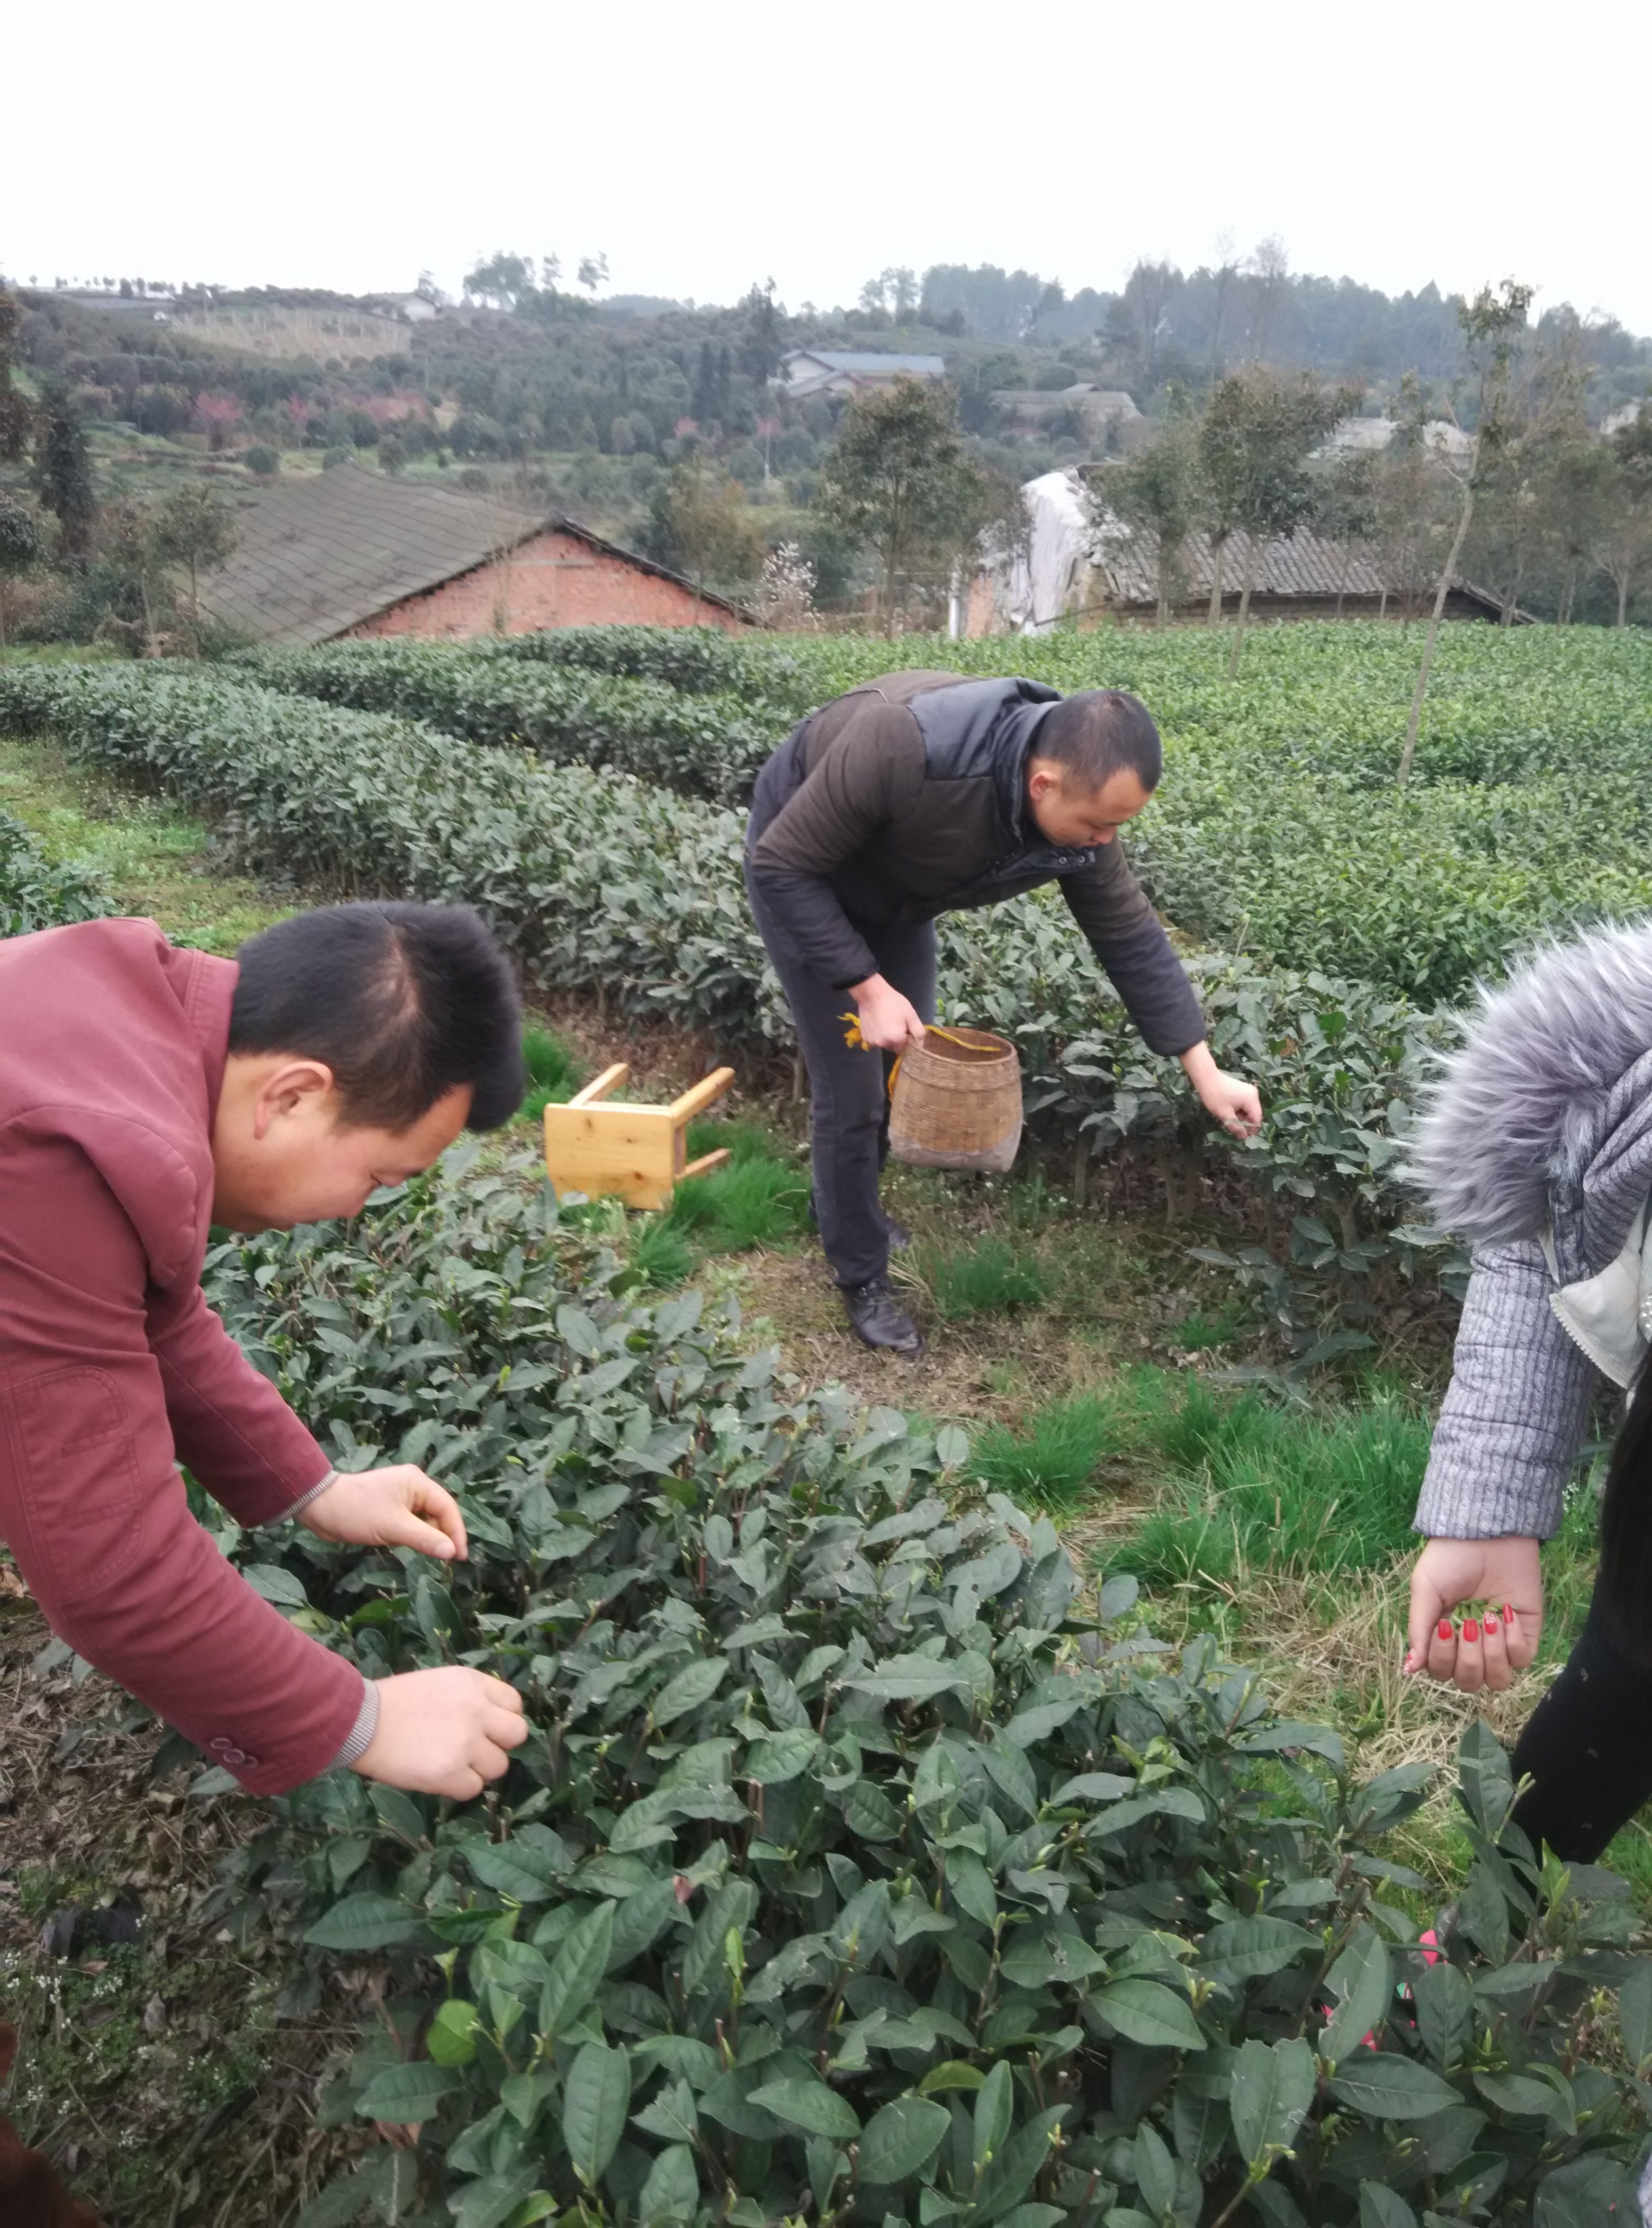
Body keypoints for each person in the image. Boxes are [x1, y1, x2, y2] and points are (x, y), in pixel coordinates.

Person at [0, 902, 531, 1803]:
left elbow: (147, 1314)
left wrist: (312, 1488)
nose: (363, 1209)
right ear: (292, 1094)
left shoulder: (126, 1006)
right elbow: (110, 1565)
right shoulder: (58, 1154)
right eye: (379, 1175)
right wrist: (360, 1718)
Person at [745, 669, 1262, 1353]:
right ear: (1042, 785)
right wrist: (866, 988)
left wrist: (1205, 1071)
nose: (1105, 842)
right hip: (806, 868)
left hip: (899, 893)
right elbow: (784, 863)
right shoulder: (908, 748)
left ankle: (840, 1207)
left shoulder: (1080, 820)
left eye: (1118, 826)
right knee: (853, 1092)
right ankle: (860, 1275)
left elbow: (1129, 936)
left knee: (899, 1070)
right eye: (1099, 824)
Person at [1404, 918, 1652, 1859]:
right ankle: (1483, 1945)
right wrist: (1491, 1505)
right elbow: (1557, 1196)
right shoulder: (1617, 1052)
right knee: (1624, 1684)